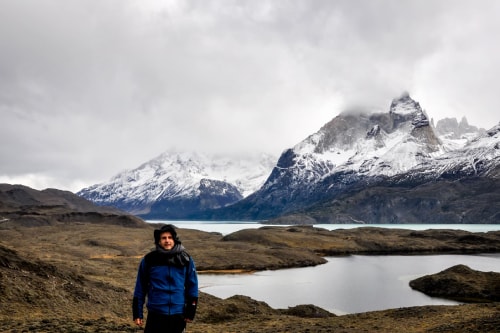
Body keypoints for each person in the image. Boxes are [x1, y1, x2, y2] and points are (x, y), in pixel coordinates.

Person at [133, 224, 198, 333]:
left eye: (170, 237)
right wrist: (137, 313)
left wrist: (191, 311)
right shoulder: (149, 259)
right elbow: (140, 287)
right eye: (163, 238)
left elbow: (192, 286)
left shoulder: (185, 259)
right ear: (158, 241)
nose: (167, 241)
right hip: (156, 313)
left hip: (178, 314)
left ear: (174, 240)